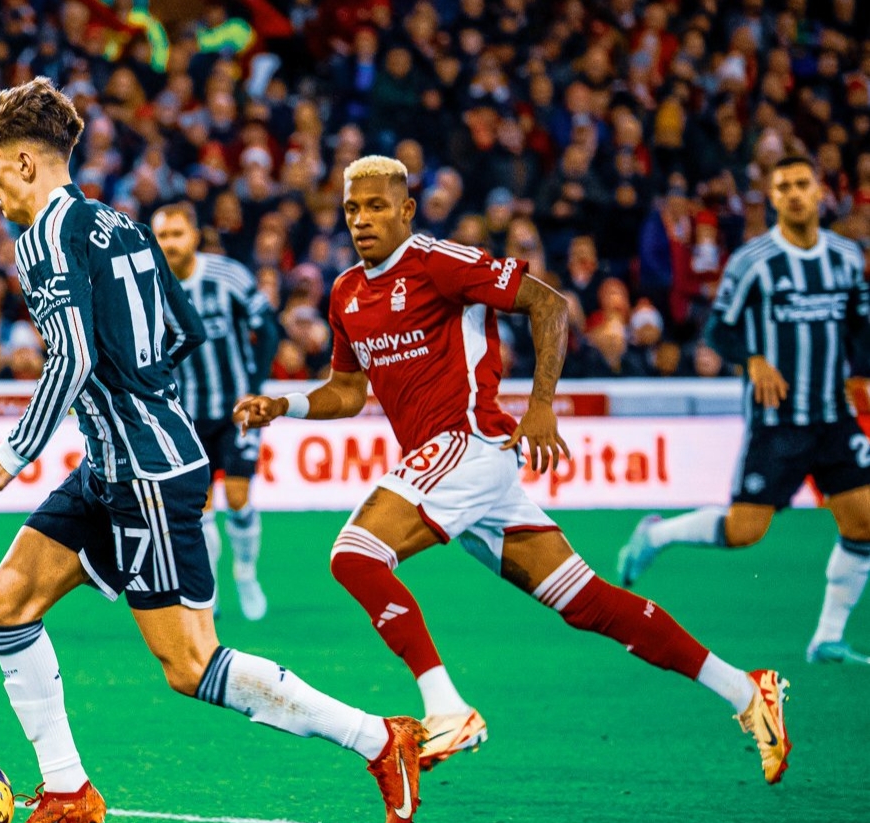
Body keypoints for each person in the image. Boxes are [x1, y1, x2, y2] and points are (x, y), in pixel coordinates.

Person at [0, 79, 426, 823]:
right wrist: (138, 399)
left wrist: (15, 450)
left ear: (23, 161)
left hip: (143, 474)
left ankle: (379, 739)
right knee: (4, 602)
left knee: (189, 665)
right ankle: (66, 790)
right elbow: (182, 329)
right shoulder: (123, 225)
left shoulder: (41, 239)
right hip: (121, 462)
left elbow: (72, 357)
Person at [234, 155, 793, 785]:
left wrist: (542, 405)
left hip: (467, 443)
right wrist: (284, 405)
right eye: (352, 209)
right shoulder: (345, 292)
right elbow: (346, 391)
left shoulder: (439, 262)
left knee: (355, 556)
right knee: (586, 602)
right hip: (458, 466)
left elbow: (549, 304)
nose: (362, 220)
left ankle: (447, 709)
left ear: (407, 210)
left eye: (376, 206)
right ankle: (745, 689)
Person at [619, 155, 870, 665]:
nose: (794, 194)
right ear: (772, 198)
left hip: (833, 415)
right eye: (784, 187)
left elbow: (860, 323)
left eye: (802, 184)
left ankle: (827, 639)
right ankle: (656, 535)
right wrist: (753, 360)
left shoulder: (846, 256)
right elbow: (719, 330)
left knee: (864, 520)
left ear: (819, 192)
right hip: (777, 421)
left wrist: (860, 372)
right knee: (745, 530)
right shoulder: (753, 261)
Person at [151, 202, 279, 620]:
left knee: (238, 498)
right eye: (162, 236)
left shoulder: (228, 276)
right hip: (188, 415)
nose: (169, 243)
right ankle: (212, 590)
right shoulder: (150, 287)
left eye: (176, 234)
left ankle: (246, 572)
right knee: (200, 508)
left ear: (194, 236)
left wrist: (255, 389)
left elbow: (268, 328)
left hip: (237, 410)